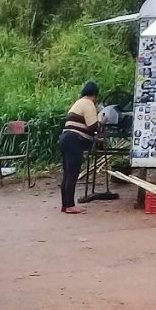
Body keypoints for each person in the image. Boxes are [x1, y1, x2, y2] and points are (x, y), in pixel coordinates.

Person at [59, 80, 102, 214]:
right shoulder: (89, 103)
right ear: (95, 95)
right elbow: (92, 126)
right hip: (74, 140)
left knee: (67, 174)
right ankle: (70, 205)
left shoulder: (78, 102)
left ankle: (65, 205)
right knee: (73, 174)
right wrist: (102, 123)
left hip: (65, 138)